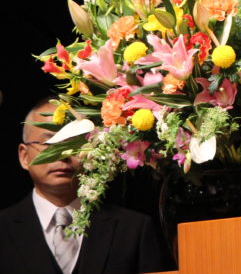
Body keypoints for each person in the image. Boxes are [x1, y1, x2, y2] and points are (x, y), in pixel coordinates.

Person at [0, 98, 172, 274]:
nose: (63, 155)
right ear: (24, 157)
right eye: (49, 144)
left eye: (73, 143)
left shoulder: (134, 229)